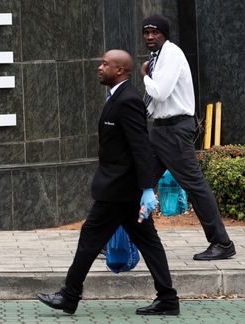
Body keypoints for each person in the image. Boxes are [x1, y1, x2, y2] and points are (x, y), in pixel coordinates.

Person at [36, 50, 179, 316]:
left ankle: (69, 295)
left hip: (120, 190)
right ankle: (168, 299)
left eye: (105, 64)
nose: (99, 68)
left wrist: (149, 188)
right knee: (148, 242)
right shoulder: (117, 97)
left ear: (121, 70)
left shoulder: (129, 101)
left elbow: (140, 147)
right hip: (123, 191)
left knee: (91, 238)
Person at [139, 14, 235, 261]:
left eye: (155, 32)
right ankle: (120, 237)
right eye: (146, 32)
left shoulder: (171, 55)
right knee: (135, 179)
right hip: (160, 130)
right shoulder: (157, 58)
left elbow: (159, 93)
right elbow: (153, 103)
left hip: (175, 130)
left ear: (165, 34)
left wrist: (144, 76)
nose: (150, 37)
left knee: (195, 185)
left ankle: (222, 243)